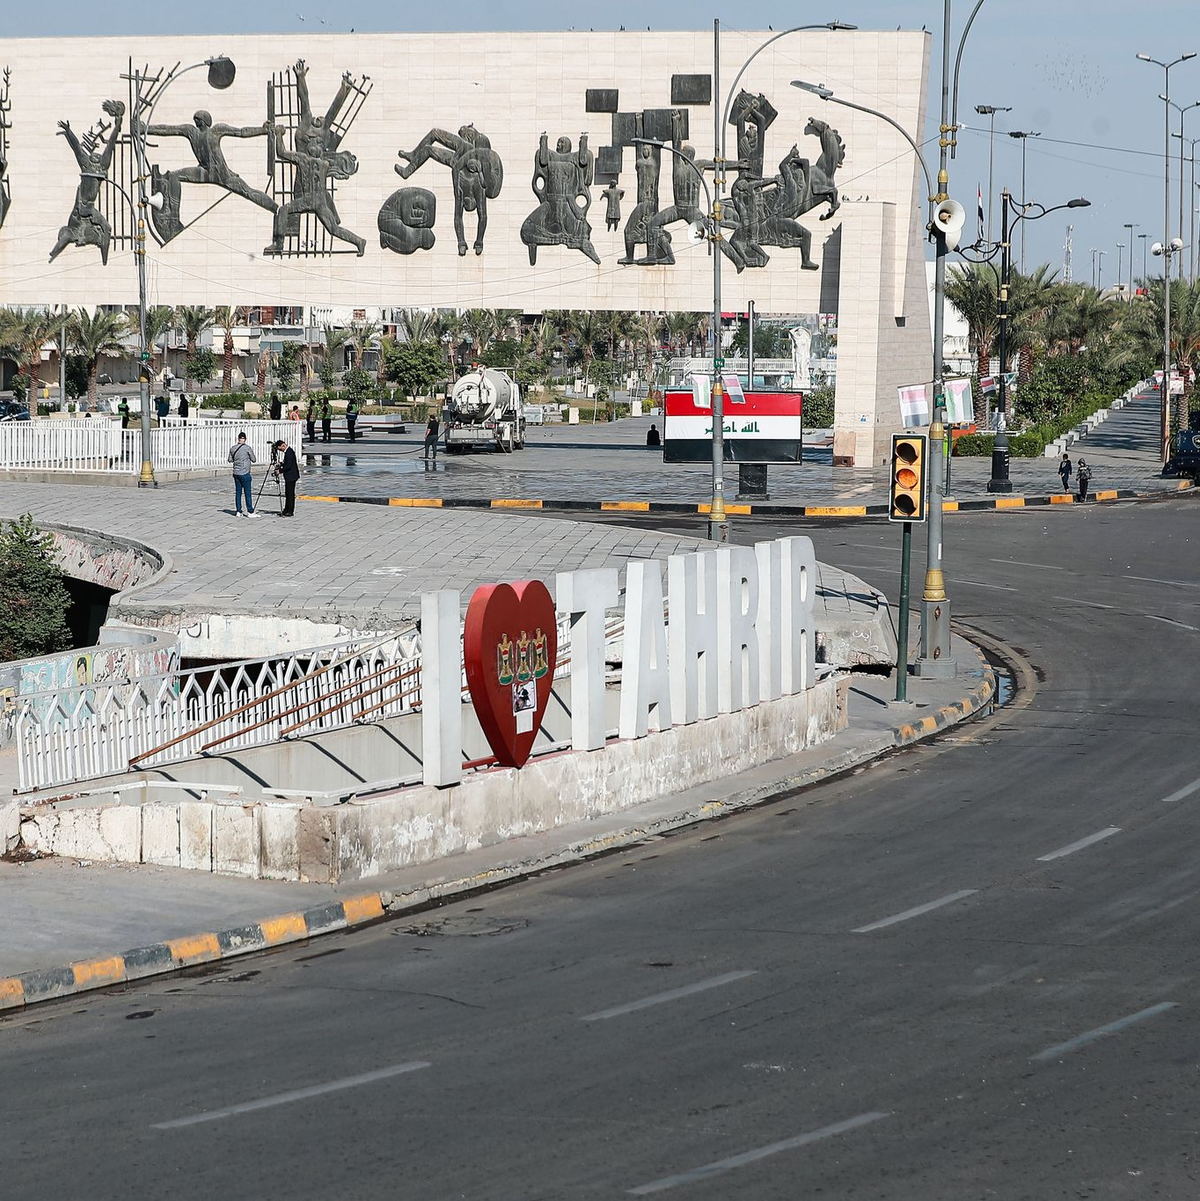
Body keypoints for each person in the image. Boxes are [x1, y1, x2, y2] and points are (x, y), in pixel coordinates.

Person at [228, 431, 256, 517]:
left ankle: (238, 511)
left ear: (238, 438)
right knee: (247, 493)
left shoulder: (233, 448)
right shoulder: (247, 448)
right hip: (245, 473)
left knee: (238, 492)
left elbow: (230, 460)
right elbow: (254, 459)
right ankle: (250, 511)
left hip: (236, 473)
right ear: (245, 439)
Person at [275, 438, 300, 516]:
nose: (281, 451)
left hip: (291, 476)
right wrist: (282, 463)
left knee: (290, 494)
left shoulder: (289, 452)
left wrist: (280, 470)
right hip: (290, 475)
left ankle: (290, 510)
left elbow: (288, 466)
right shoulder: (289, 451)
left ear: (283, 445)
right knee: (288, 493)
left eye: (280, 449)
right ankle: (287, 509)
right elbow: (288, 463)